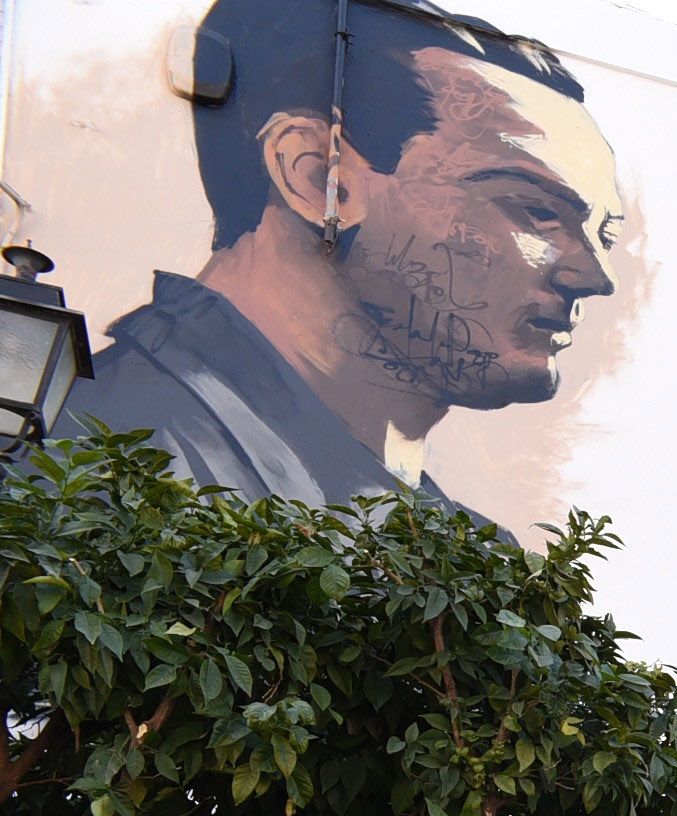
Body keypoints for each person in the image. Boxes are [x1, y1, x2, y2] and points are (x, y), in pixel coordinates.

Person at [57, 0, 620, 511]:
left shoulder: (458, 557)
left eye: (606, 234)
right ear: (318, 179)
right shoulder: (94, 462)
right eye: (536, 211)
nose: (594, 276)